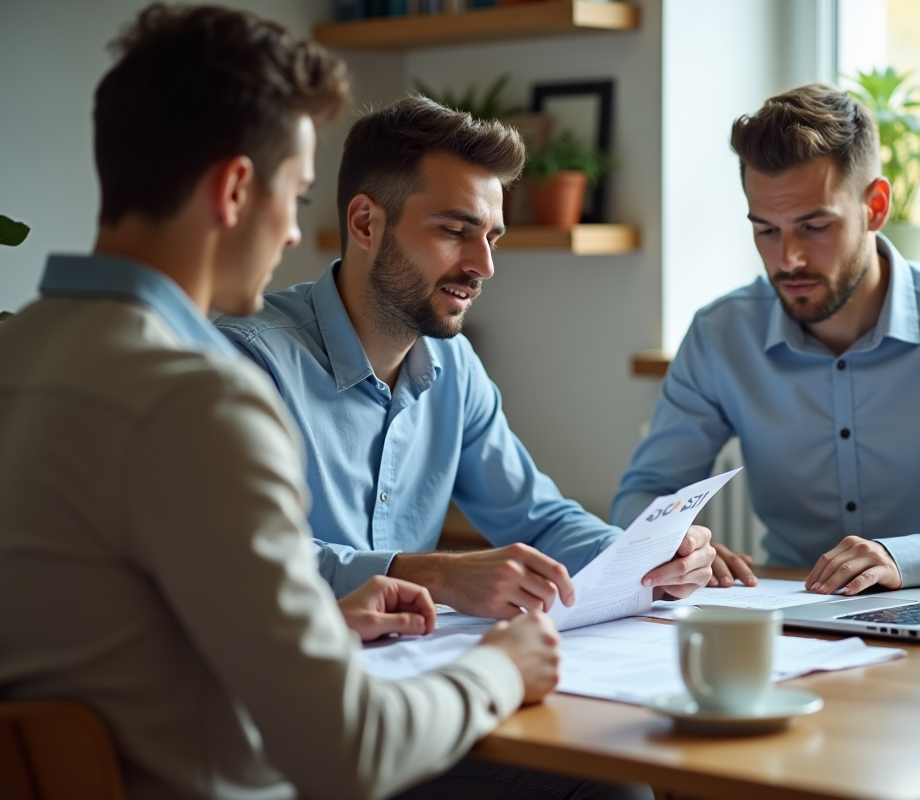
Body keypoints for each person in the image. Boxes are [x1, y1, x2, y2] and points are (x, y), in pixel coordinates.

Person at [0, 7, 643, 800]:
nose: (295, 228)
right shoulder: (199, 397)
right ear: (238, 189)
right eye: (299, 191)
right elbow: (351, 752)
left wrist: (332, 617)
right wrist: (499, 668)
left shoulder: (19, 350)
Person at [215, 97, 715, 619]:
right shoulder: (246, 363)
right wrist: (432, 573)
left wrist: (651, 557)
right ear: (365, 224)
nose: (484, 266)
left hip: (409, 670)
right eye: (455, 232)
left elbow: (538, 520)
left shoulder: (454, 366)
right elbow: (241, 556)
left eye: (491, 238)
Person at [612, 83, 920, 597]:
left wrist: (906, 556)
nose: (789, 259)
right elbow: (645, 495)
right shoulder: (720, 334)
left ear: (876, 206)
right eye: (766, 230)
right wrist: (675, 544)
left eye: (815, 226)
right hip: (787, 609)